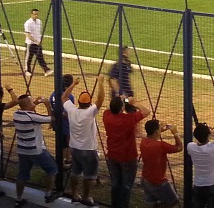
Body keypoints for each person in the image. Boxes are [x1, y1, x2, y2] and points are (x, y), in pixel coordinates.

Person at [103, 85, 151, 208]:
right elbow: (146, 111)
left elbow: (112, 107)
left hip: (112, 156)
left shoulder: (106, 115)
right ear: (122, 108)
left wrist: (120, 100)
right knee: (126, 185)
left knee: (115, 184)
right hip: (127, 157)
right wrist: (135, 103)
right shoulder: (128, 119)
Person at [63, 75, 107, 207]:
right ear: (89, 103)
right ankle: (86, 197)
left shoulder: (72, 110)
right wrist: (100, 82)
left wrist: (73, 85)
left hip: (74, 148)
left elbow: (64, 98)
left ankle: (75, 194)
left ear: (79, 102)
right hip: (88, 150)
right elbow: (101, 99)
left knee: (75, 172)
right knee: (90, 175)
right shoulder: (90, 112)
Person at [13, 93, 60, 206]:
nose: (34, 102)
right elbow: (51, 119)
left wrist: (35, 104)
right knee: (52, 169)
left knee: (22, 175)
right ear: (28, 104)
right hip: (35, 150)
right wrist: (48, 105)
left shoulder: (16, 114)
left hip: (22, 150)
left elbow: (28, 110)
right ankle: (48, 195)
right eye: (32, 101)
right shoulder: (32, 117)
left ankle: (18, 199)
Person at [139, 119, 182, 208]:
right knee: (173, 200)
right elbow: (179, 147)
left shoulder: (143, 141)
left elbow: (152, 136)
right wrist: (175, 133)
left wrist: (161, 129)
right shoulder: (160, 145)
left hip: (145, 178)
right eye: (159, 129)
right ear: (156, 132)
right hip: (158, 181)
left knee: (151, 202)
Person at [50, 75, 75, 169]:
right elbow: (68, 113)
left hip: (56, 123)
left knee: (63, 143)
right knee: (65, 145)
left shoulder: (53, 94)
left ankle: (68, 161)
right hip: (65, 124)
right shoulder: (70, 97)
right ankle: (60, 165)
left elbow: (52, 108)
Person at [23, 8, 53, 77]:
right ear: (31, 14)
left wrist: (39, 41)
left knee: (40, 57)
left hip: (38, 43)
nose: (36, 16)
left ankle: (46, 70)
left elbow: (38, 32)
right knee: (28, 58)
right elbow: (27, 34)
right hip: (30, 44)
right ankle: (27, 70)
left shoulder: (39, 22)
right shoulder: (28, 23)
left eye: (37, 14)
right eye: (35, 14)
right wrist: (35, 41)